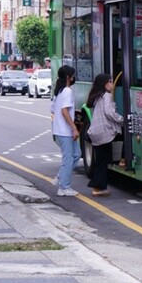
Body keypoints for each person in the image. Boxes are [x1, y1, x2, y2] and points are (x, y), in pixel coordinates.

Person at [85, 73, 124, 197]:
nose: (112, 84)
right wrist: (122, 119)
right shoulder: (107, 96)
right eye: (110, 82)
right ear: (105, 84)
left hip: (96, 133)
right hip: (103, 133)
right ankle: (98, 188)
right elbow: (109, 113)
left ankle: (98, 186)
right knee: (102, 162)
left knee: (100, 161)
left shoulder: (97, 96)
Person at [51, 65, 80, 196]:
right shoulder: (67, 91)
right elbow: (64, 111)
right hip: (64, 131)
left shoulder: (59, 91)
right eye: (72, 75)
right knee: (68, 159)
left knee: (77, 154)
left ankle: (60, 177)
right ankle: (63, 187)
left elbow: (53, 109)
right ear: (68, 77)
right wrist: (74, 128)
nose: (74, 77)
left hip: (59, 130)